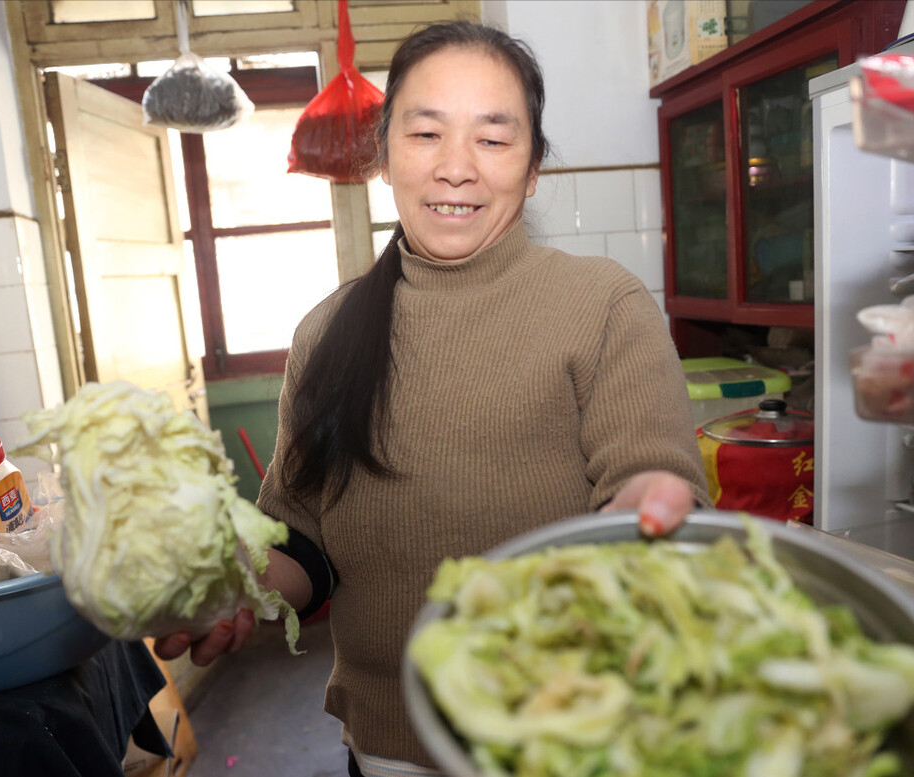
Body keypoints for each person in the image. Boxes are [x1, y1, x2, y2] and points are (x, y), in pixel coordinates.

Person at [156, 19, 710, 777]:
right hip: (389, 744)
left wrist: (649, 508)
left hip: (568, 734)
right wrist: (240, 586)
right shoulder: (329, 331)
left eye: (493, 137)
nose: (457, 169)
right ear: (385, 156)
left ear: (534, 166)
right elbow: (302, 541)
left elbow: (650, 469)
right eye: (426, 134)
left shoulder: (601, 303)